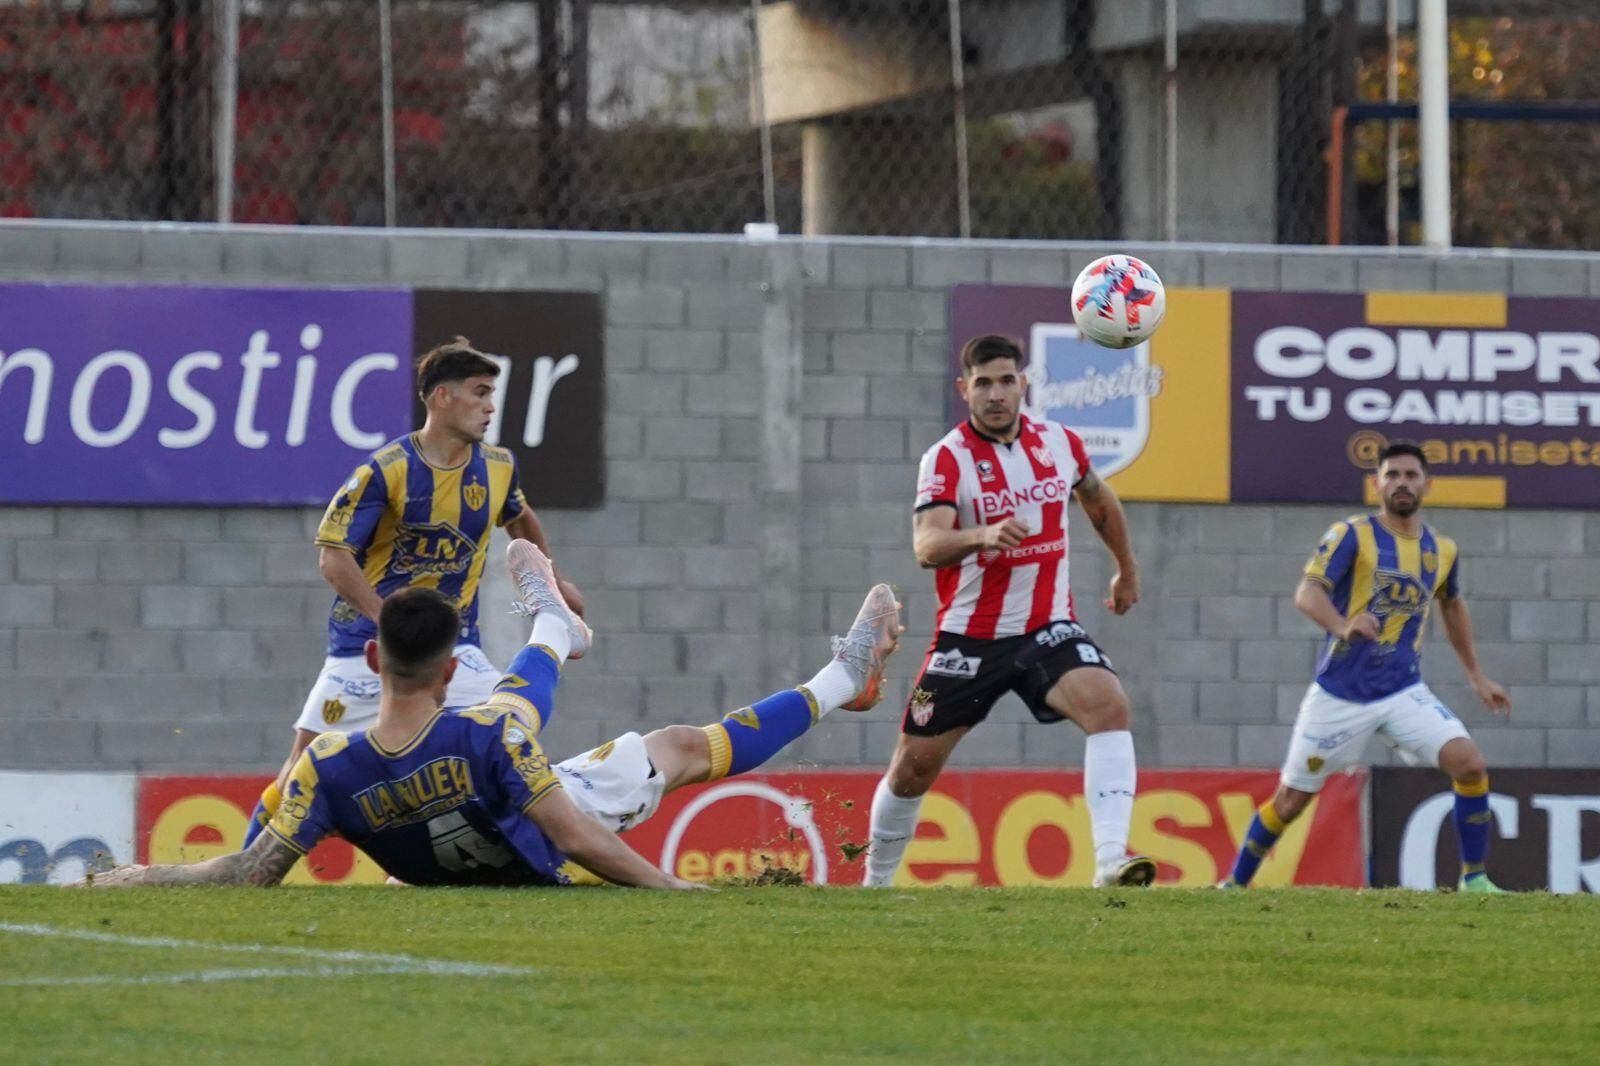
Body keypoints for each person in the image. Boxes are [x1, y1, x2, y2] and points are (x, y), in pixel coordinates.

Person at [83, 541, 903, 888]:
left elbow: (247, 870)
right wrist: (673, 891)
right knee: (682, 746)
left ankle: (550, 620)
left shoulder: (325, 766)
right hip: (536, 841)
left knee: (520, 713)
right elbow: (579, 839)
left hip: (453, 842)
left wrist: (144, 874)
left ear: (374, 658)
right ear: (452, 670)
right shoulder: (485, 729)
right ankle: (845, 678)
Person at [241, 337, 582, 848]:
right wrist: (390, 625)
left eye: (493, 394)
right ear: (441, 398)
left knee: (511, 736)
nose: (491, 406)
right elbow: (334, 558)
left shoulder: (497, 467)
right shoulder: (385, 470)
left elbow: (520, 518)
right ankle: (246, 867)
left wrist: (554, 582)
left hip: (455, 648)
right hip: (366, 650)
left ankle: (531, 851)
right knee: (301, 767)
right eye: (481, 393)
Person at [862, 334, 1155, 889]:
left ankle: (1112, 861)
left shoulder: (1060, 443)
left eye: (1006, 380)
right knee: (911, 769)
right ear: (963, 389)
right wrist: (982, 535)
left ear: (1023, 383)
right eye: (983, 383)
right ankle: (875, 884)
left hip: (1048, 627)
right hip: (965, 641)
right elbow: (927, 546)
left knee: (1109, 706)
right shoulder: (946, 457)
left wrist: (1127, 569)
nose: (996, 394)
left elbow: (1097, 500)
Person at [1221, 440, 1512, 892]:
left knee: (1470, 765)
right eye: (1392, 474)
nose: (1401, 483)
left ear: (1427, 485)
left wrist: (1476, 674)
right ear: (1376, 484)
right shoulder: (1351, 535)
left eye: (1411, 475)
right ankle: (1234, 886)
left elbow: (1452, 605)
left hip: (1402, 691)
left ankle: (1475, 880)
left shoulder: (1443, 549)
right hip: (1340, 694)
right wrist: (1342, 626)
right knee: (1291, 801)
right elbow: (1307, 593)